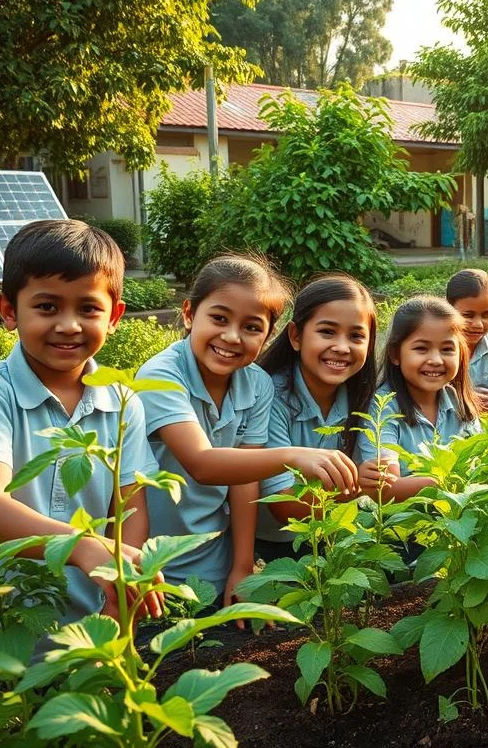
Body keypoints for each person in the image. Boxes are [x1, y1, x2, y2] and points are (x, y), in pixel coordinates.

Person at [0, 220, 164, 709]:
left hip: (77, 626)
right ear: (8, 310)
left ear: (114, 316)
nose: (69, 325)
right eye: (47, 306)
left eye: (88, 308)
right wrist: (83, 545)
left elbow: (131, 502)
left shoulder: (124, 399)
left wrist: (122, 580)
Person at [136, 256, 358, 613]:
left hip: (214, 558)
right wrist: (294, 455)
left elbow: (245, 481)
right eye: (219, 319)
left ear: (268, 335)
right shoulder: (161, 375)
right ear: (189, 313)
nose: (232, 336)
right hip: (152, 565)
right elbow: (202, 464)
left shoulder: (256, 384)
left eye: (252, 327)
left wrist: (241, 568)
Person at [253, 274, 378, 562]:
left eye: (356, 336)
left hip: (334, 534)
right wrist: (358, 483)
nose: (342, 347)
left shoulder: (365, 398)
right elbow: (284, 505)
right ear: (296, 336)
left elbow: (382, 476)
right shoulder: (271, 394)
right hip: (270, 544)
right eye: (327, 332)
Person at [357, 297, 481, 501]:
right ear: (395, 354)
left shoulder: (460, 404)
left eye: (447, 349)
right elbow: (386, 489)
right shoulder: (383, 408)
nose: (435, 360)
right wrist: (453, 479)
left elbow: (483, 461)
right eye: (421, 348)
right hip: (401, 528)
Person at [446, 268, 488, 412]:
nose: (478, 324)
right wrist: (468, 397)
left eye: (486, 315)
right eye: (468, 315)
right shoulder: (442, 343)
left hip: (487, 416)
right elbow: (436, 389)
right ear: (449, 310)